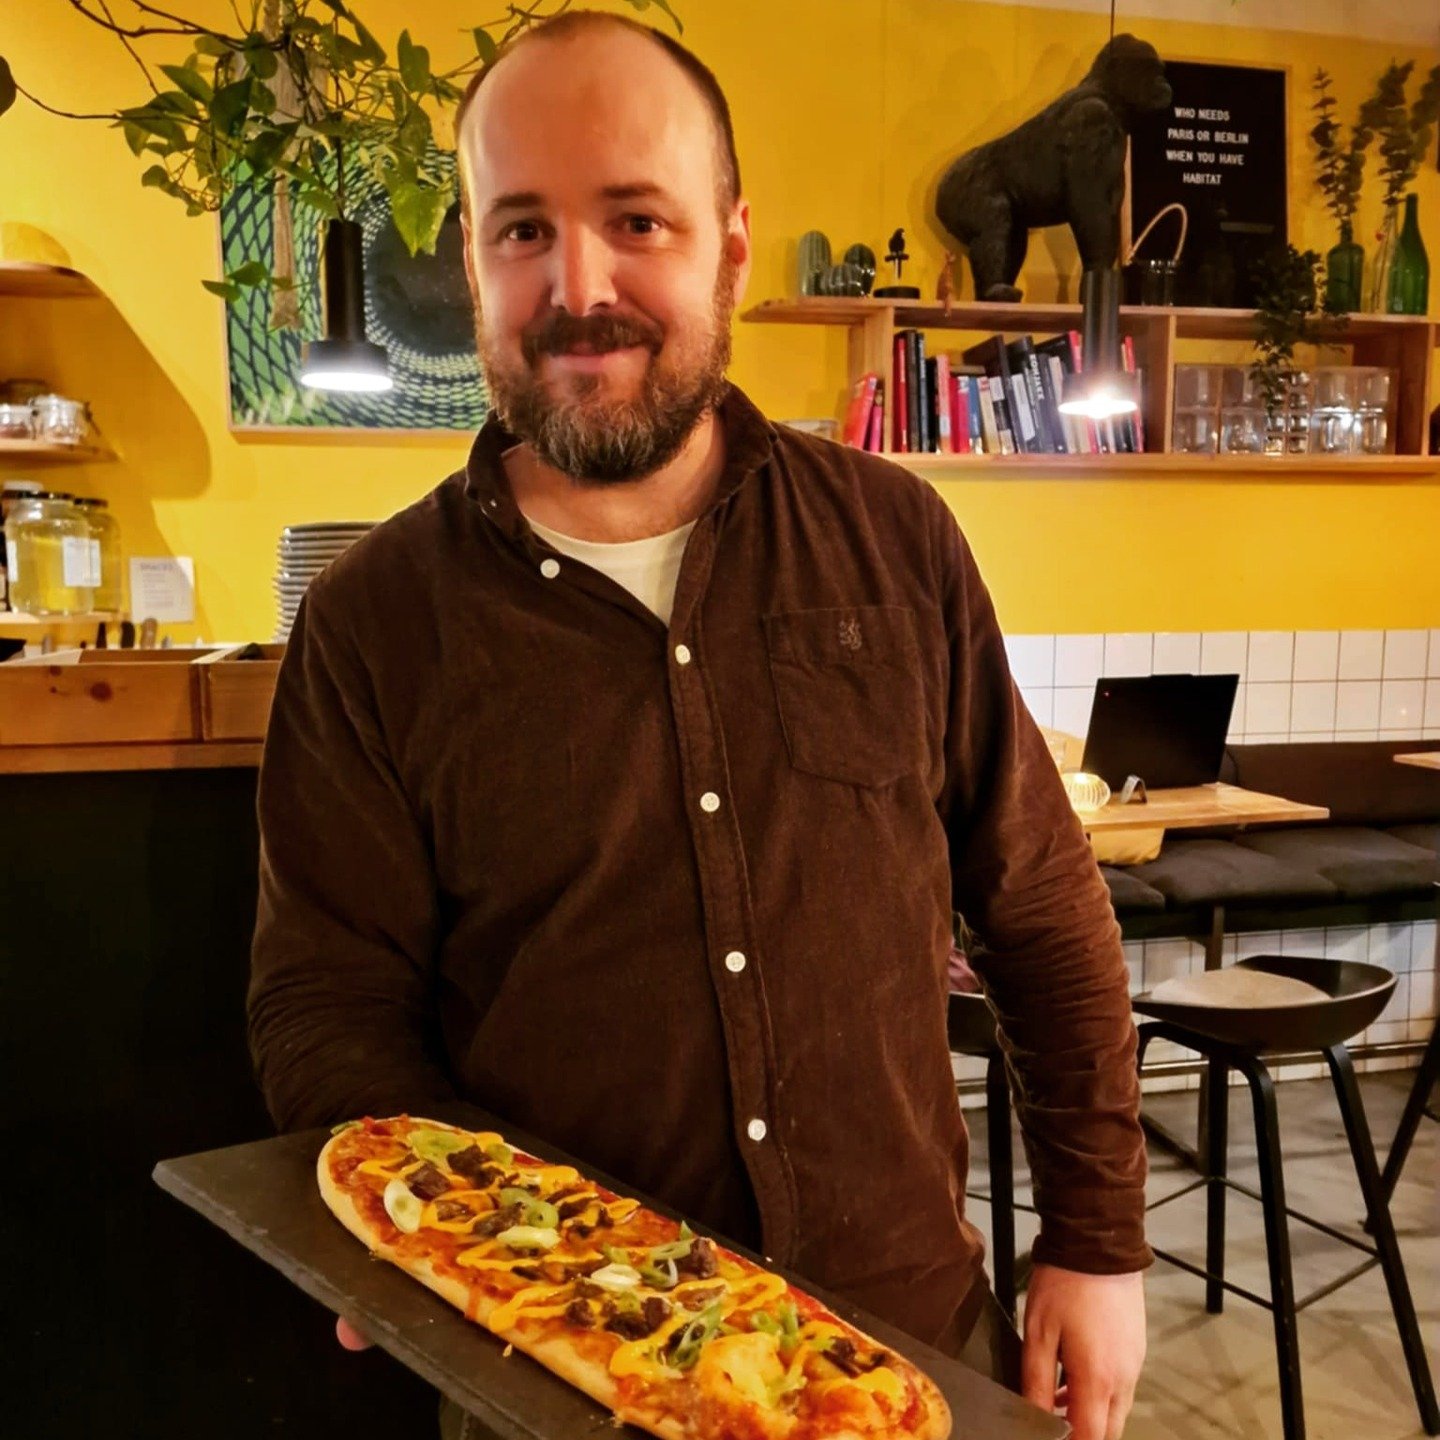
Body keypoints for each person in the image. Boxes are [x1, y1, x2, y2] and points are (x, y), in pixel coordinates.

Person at [247, 12, 1149, 1440]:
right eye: (522, 229)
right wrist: (421, 1215)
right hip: (551, 1375)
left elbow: (1038, 906)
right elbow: (329, 999)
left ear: (730, 246)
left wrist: (1097, 1238)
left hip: (904, 1349)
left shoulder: (894, 540)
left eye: (636, 221)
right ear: (474, 259)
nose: (577, 285)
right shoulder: (371, 624)